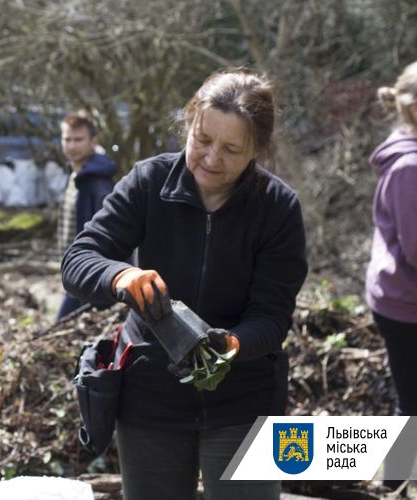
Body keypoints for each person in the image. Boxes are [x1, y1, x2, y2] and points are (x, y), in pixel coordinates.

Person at [62, 69, 308, 500]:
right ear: (189, 121)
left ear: (258, 150)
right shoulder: (148, 182)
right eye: (203, 139)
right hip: (149, 397)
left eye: (232, 149)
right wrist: (122, 276)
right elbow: (79, 260)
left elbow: (271, 316)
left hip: (244, 401)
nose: (212, 158)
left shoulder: (278, 208)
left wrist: (229, 345)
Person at [365, 61, 417, 490]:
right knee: (411, 402)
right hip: (404, 305)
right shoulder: (409, 169)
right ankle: (395, 487)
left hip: (403, 294)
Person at [55, 110, 117, 320]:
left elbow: (110, 233)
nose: (72, 146)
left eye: (78, 140)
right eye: (67, 139)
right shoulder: (75, 175)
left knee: (61, 325)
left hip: (88, 272)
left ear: (93, 141)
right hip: (72, 269)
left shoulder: (98, 183)